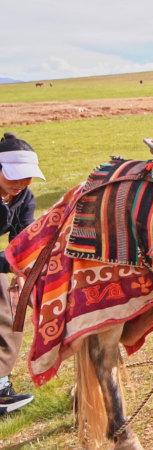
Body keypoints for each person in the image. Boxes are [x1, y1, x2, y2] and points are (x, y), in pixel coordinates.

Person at [0, 132, 45, 414]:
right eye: (14, 177)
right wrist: (13, 265)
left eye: (26, 177)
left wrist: (24, 271)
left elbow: (24, 241)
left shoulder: (23, 197)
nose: (21, 184)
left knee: (15, 304)